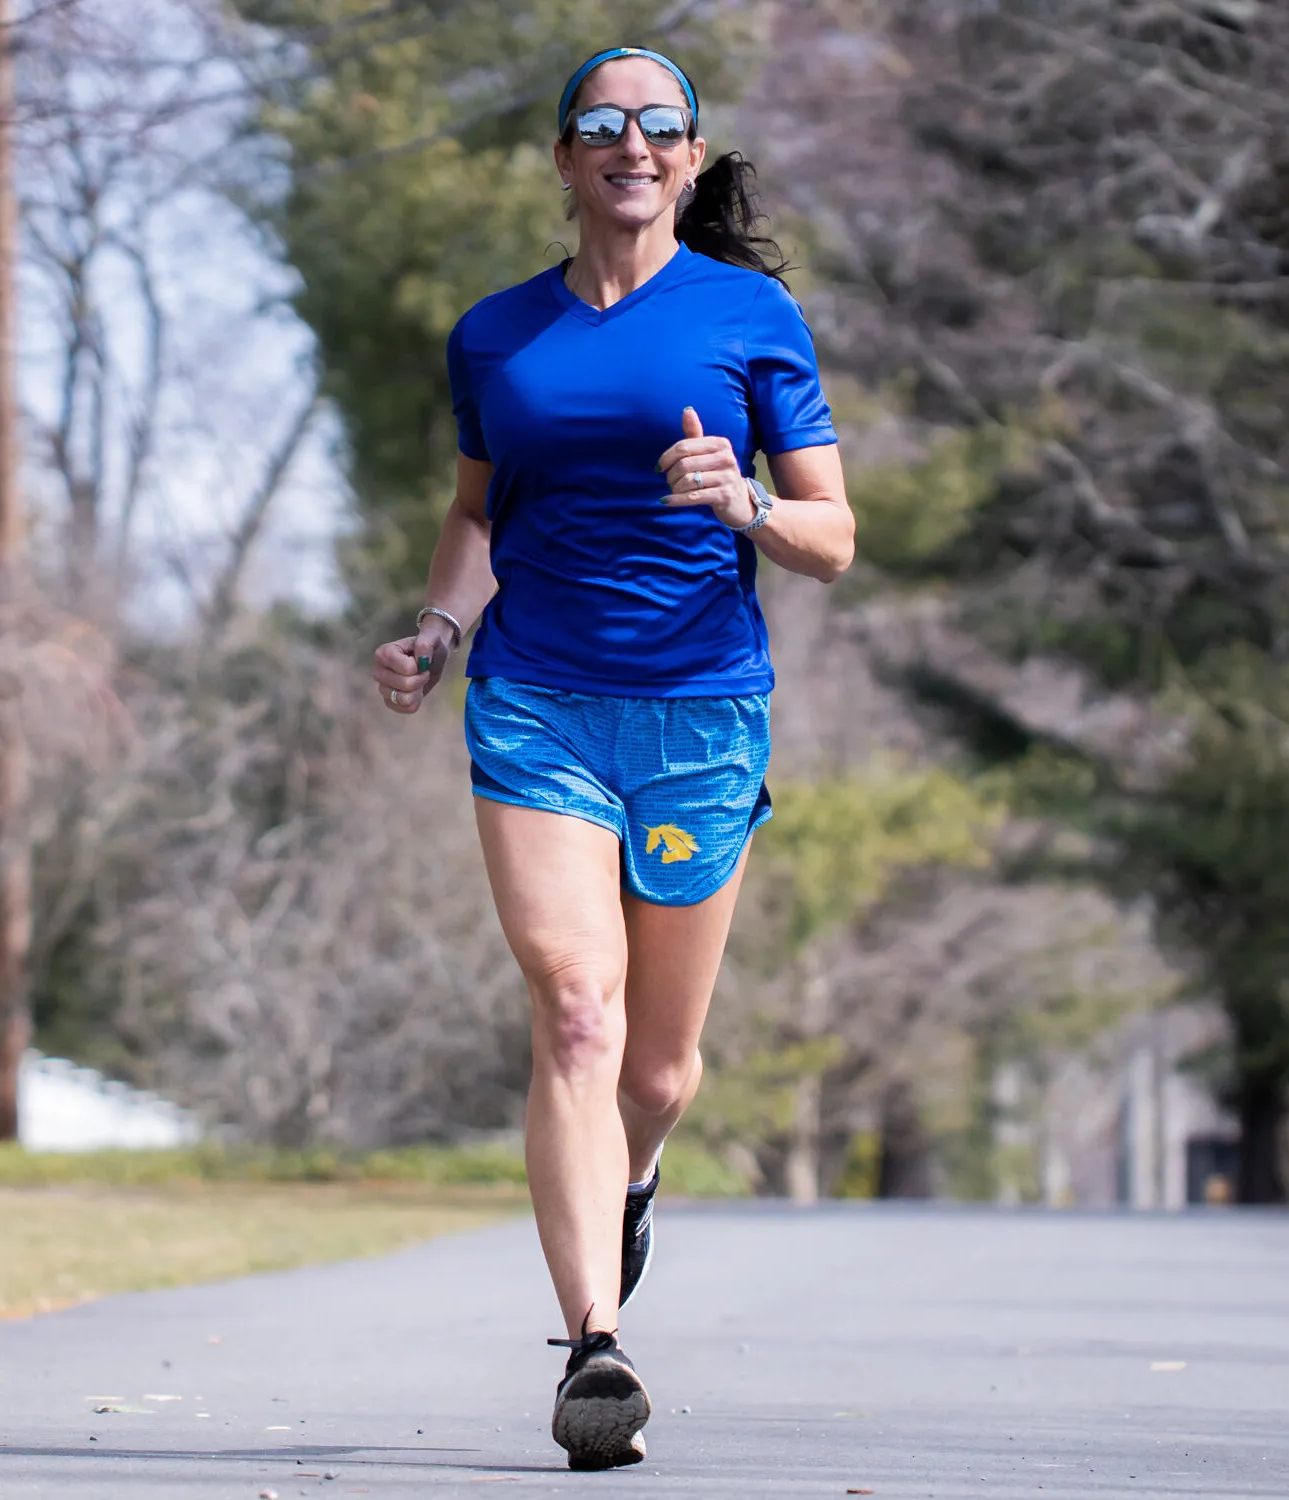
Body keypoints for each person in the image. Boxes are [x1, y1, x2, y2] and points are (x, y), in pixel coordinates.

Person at [371, 44, 853, 1472]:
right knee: (576, 1014)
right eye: (601, 123)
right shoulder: (496, 336)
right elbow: (478, 514)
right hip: (536, 709)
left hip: (703, 713)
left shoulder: (752, 316)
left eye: (658, 126)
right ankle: (596, 1348)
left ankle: (633, 1175)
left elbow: (832, 540)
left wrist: (749, 504)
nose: (630, 144)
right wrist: (441, 630)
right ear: (566, 158)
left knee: (657, 1070)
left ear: (691, 159)